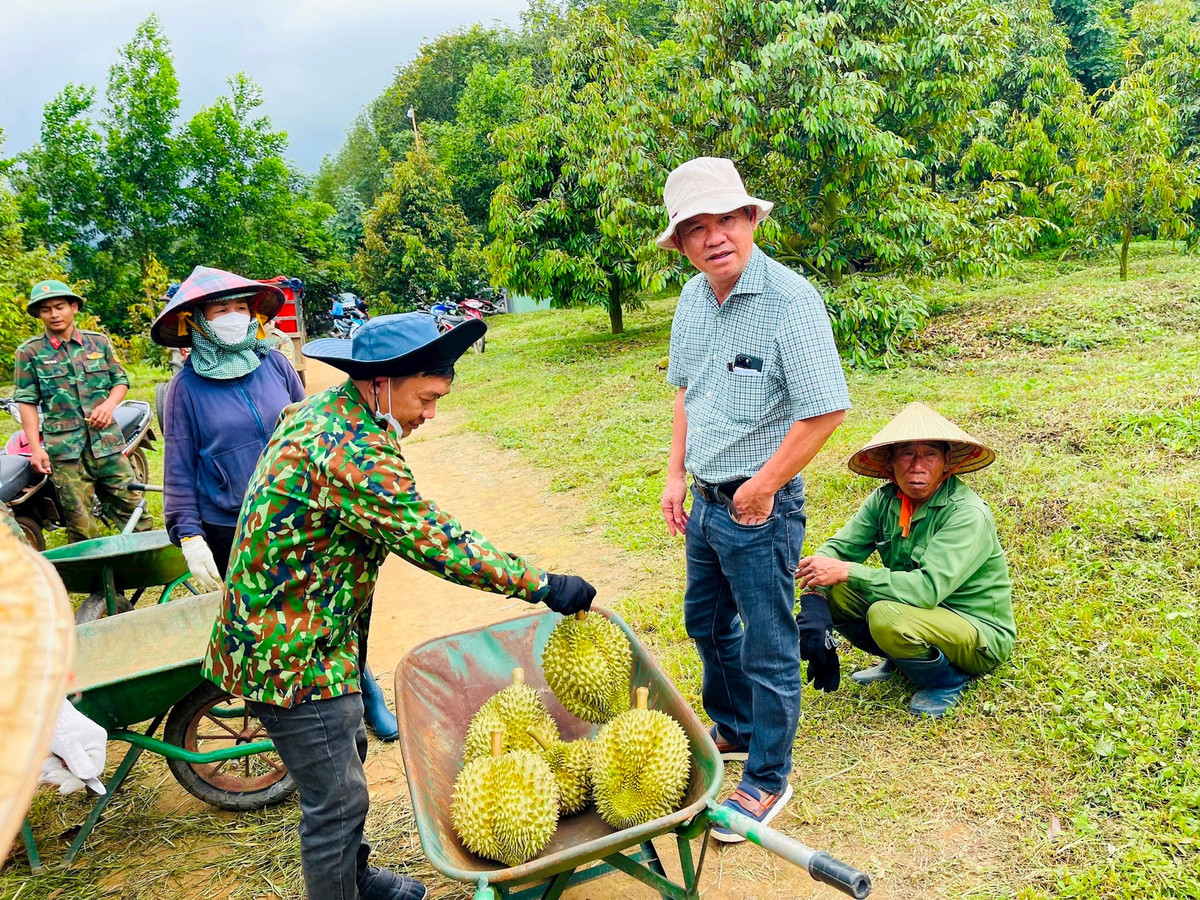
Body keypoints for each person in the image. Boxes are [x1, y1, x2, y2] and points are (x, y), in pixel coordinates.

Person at [202, 313, 598, 900]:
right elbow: (435, 540)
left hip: (317, 630)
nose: (430, 414)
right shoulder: (350, 449)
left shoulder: (328, 410)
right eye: (427, 397)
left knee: (349, 752)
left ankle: (356, 876)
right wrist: (542, 584)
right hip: (288, 650)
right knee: (335, 800)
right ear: (381, 381)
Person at [657, 157, 850, 841]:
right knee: (706, 623)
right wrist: (676, 474)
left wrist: (760, 488)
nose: (716, 238)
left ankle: (768, 777)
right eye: (697, 228)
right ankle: (736, 728)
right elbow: (688, 390)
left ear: (752, 220)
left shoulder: (790, 302)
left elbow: (825, 410)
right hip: (705, 501)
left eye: (728, 220)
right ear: (681, 242)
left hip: (759, 508)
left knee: (769, 645)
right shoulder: (690, 299)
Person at [153, 265, 398, 741]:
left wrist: (366, 436)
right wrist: (187, 532)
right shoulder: (185, 389)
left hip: (305, 516)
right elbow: (178, 466)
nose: (233, 317)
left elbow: (315, 426)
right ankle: (299, 720)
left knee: (334, 610)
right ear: (199, 320)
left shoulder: (275, 364)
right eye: (221, 309)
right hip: (235, 529)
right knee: (277, 629)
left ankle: (363, 690)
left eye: (240, 307)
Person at [794, 402, 1016, 718]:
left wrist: (848, 571)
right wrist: (815, 604)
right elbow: (835, 552)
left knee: (886, 616)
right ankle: (902, 661)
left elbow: (925, 590)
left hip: (976, 630)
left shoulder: (966, 514)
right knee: (836, 587)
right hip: (919, 612)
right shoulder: (885, 500)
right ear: (891, 462)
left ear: (946, 463)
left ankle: (946, 681)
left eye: (929, 454)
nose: (917, 465)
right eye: (906, 454)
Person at [13, 280, 147, 543]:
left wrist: (108, 406)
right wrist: (36, 449)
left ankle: (152, 572)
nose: (54, 314)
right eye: (46, 309)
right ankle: (101, 585)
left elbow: (120, 381)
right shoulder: (29, 352)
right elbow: (26, 401)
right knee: (80, 525)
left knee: (134, 511)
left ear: (73, 307)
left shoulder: (98, 343)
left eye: (60, 307)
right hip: (66, 452)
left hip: (106, 444)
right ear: (39, 314)